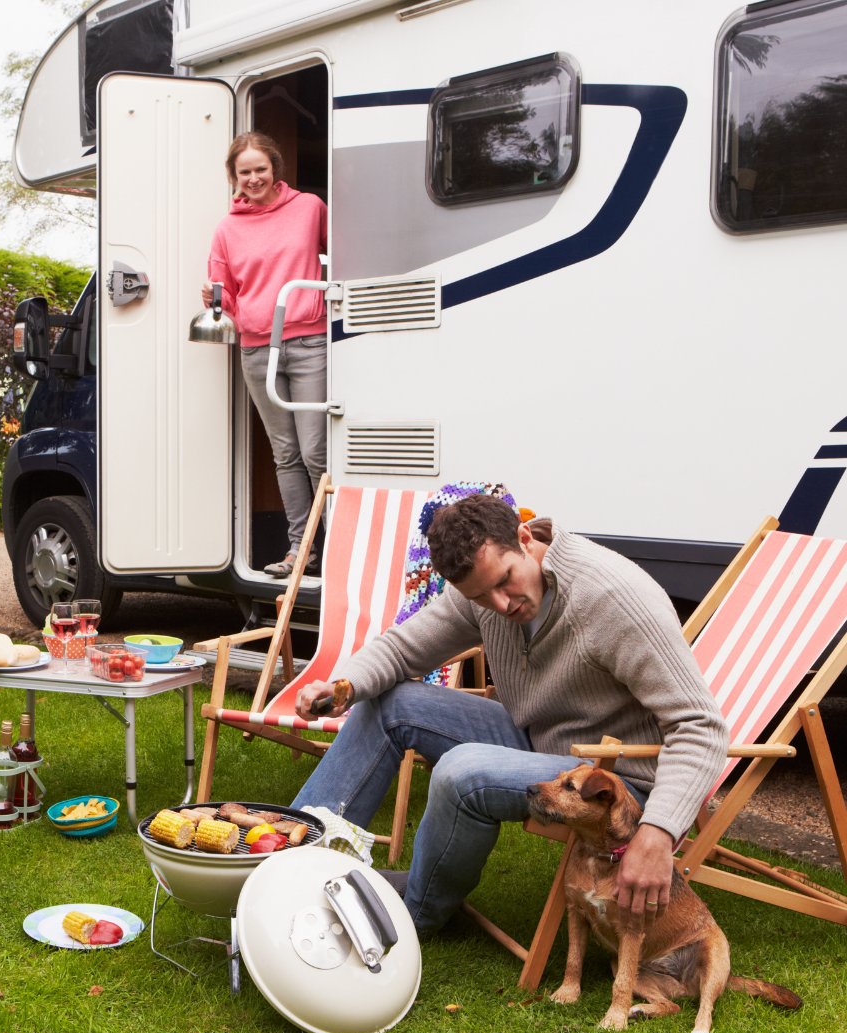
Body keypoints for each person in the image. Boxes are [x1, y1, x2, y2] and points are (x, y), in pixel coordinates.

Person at [291, 493, 729, 934]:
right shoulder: (482, 589)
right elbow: (405, 649)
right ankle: (286, 862)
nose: (501, 604)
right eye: (481, 597)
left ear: (524, 537)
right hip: (537, 739)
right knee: (388, 701)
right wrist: (343, 686)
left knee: (462, 771)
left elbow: (700, 726)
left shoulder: (611, 597)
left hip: (614, 778)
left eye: (505, 581)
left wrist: (658, 832)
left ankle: (412, 917)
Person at [204, 132, 328, 577]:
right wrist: (215, 301)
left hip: (310, 341)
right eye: (244, 172)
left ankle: (336, 542)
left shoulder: (309, 208)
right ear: (234, 178)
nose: (253, 178)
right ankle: (302, 549)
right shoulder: (227, 229)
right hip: (257, 350)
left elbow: (347, 257)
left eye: (260, 169)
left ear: (275, 168)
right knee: (286, 454)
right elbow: (228, 297)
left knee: (317, 450)